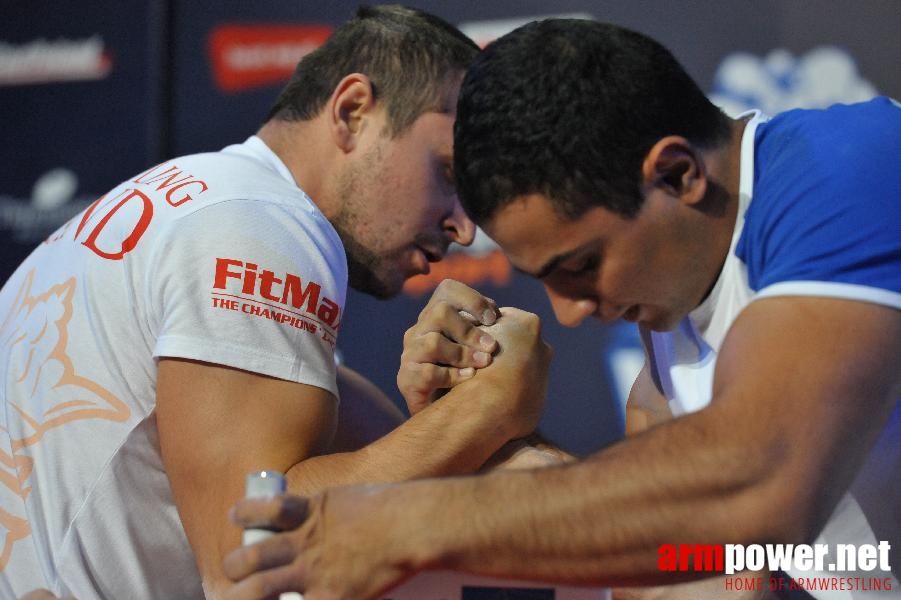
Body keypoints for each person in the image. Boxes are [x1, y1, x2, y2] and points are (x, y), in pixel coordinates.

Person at [221, 17, 901, 600]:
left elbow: (762, 481)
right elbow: (692, 566)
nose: (570, 313)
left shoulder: (849, 169)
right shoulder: (671, 320)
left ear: (675, 174)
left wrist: (410, 523)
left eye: (578, 266)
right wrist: (498, 443)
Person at [0, 6, 556, 599]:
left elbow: (396, 459)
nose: (464, 227)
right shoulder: (263, 222)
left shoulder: (201, 202)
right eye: (447, 173)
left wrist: (452, 414)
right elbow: (245, 557)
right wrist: (487, 407)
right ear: (352, 111)